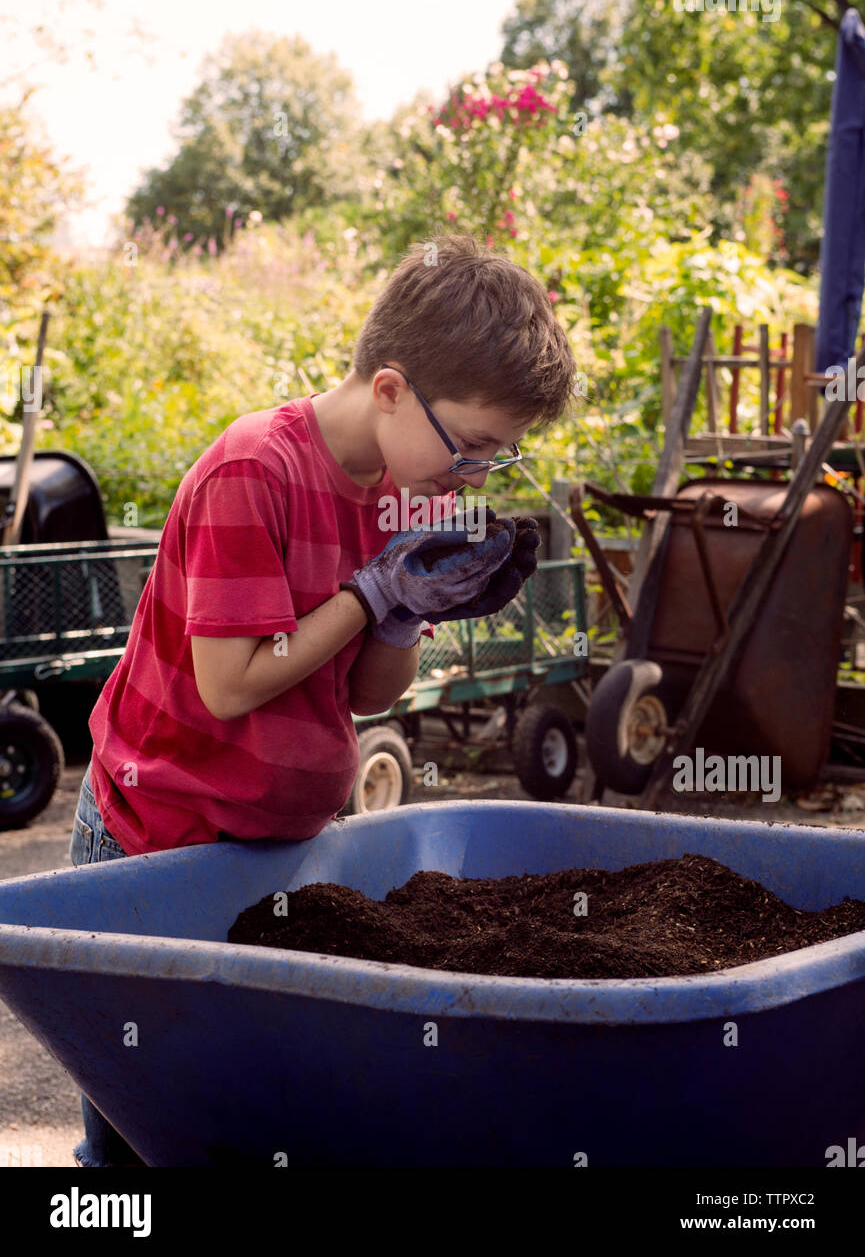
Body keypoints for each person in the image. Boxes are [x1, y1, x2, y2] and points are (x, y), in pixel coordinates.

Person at [68, 231, 579, 1165]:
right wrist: (370, 594)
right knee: (142, 1135)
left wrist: (400, 617)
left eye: (494, 461)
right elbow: (231, 688)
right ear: (390, 389)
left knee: (246, 1118)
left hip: (276, 846)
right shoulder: (252, 470)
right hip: (157, 837)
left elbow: (374, 693)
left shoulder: (404, 489)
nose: (470, 476)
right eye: (469, 447)